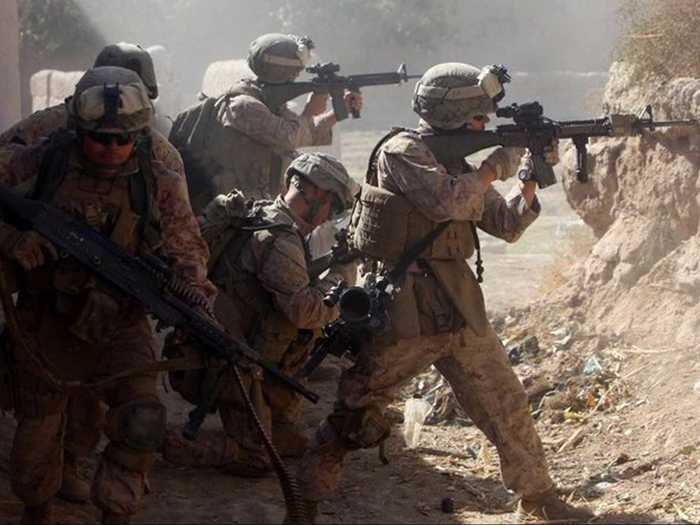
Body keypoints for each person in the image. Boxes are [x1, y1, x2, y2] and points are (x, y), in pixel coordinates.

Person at [295, 62, 595, 523]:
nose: (483, 125)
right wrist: (496, 165)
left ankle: (540, 496)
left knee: (506, 401)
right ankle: (306, 499)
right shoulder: (401, 151)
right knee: (357, 410)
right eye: (477, 117)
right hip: (404, 309)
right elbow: (446, 201)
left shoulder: (458, 162)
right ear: (452, 114)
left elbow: (508, 224)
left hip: (457, 306)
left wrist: (530, 172)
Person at [0, 66, 215, 524]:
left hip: (121, 321)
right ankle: (38, 511)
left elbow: (185, 243)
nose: (112, 149)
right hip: (47, 325)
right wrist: (12, 239)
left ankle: (116, 515)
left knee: (143, 421)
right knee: (33, 462)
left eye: (124, 140)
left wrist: (196, 297)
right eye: (100, 138)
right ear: (79, 130)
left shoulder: (157, 172)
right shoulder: (42, 159)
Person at [163, 152, 358, 477]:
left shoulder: (264, 215)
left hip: (244, 355)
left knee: (292, 443)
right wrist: (343, 274)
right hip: (234, 366)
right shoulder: (278, 239)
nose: (328, 218)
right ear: (317, 194)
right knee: (257, 459)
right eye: (332, 207)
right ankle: (165, 441)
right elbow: (306, 311)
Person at [169, 33, 362, 211]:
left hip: (254, 204)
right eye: (294, 72)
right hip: (231, 210)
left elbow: (302, 130)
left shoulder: (267, 102)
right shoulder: (244, 106)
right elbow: (289, 136)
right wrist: (322, 112)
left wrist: (333, 108)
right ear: (283, 71)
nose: (295, 77)